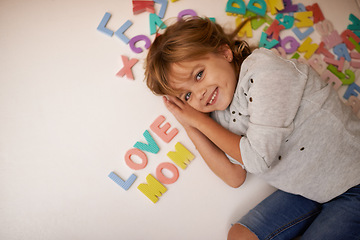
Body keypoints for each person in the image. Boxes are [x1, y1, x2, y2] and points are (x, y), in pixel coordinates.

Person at [145, 17, 360, 240]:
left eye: (199, 75)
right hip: (310, 190)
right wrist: (190, 125)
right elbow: (234, 176)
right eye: (187, 95)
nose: (198, 94)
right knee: (239, 236)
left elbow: (257, 158)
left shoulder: (264, 70)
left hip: (353, 180)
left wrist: (200, 121)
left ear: (224, 53)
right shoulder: (221, 114)